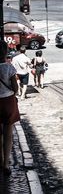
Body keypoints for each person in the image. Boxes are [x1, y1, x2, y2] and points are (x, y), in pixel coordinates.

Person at [0, 40, 19, 176]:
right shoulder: (9, 68)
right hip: (8, 102)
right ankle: (6, 164)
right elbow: (15, 88)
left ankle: (0, 160)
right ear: (5, 53)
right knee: (8, 134)